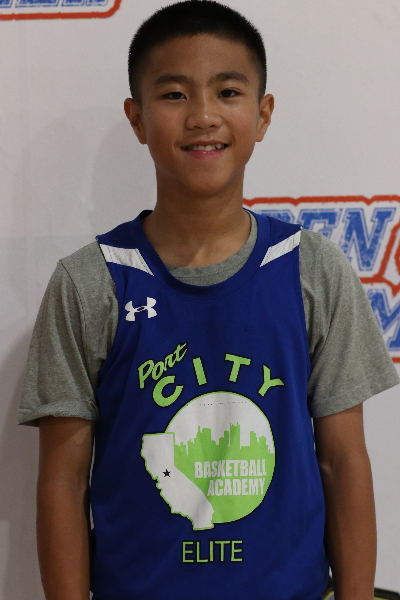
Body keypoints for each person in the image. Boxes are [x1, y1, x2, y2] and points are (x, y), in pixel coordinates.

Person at [18, 2, 399, 599]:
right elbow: (63, 483)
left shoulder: (312, 269)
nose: (202, 116)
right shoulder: (90, 281)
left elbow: (343, 462)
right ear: (138, 118)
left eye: (228, 92)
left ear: (263, 114)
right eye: (173, 95)